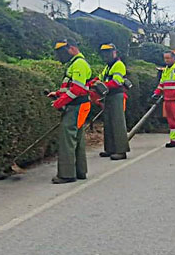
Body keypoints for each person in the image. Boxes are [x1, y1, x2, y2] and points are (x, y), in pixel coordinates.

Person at [48, 40, 93, 184]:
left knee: (67, 139)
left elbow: (77, 90)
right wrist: (57, 94)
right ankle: (80, 171)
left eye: (62, 52)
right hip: (78, 105)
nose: (60, 56)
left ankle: (66, 174)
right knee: (77, 138)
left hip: (76, 107)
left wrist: (59, 103)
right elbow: (72, 87)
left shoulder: (79, 63)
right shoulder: (76, 63)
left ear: (72, 48)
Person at [95, 43, 130, 160]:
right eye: (104, 53)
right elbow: (100, 79)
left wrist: (102, 85)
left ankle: (121, 151)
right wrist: (93, 83)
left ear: (114, 52)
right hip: (108, 96)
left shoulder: (119, 65)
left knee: (117, 123)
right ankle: (110, 149)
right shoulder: (108, 67)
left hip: (116, 96)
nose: (106, 55)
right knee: (108, 123)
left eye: (108, 52)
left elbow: (117, 82)